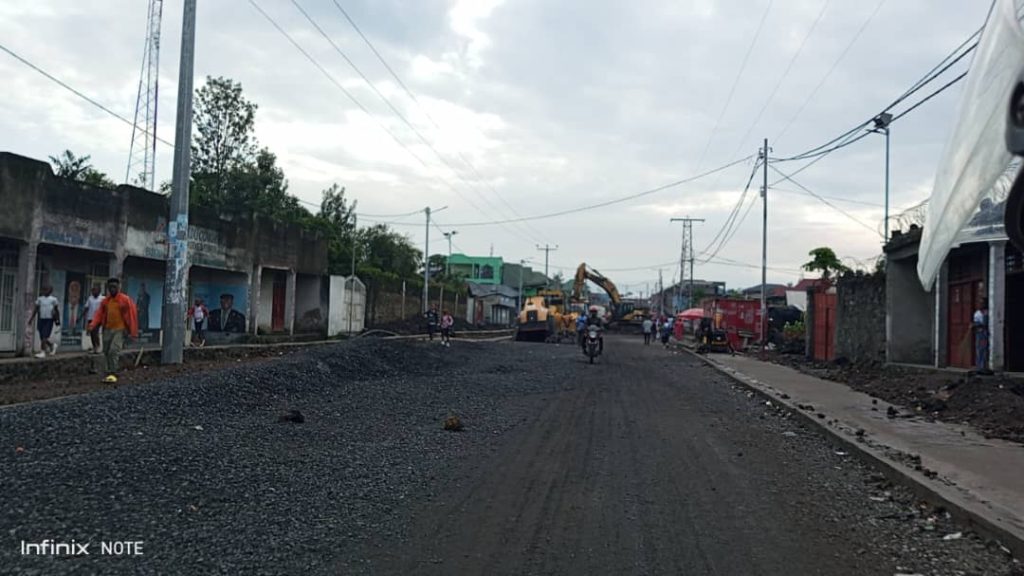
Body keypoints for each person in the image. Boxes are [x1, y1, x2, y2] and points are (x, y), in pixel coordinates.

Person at [87, 278, 138, 383]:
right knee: (106, 351)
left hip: (120, 330)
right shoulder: (106, 301)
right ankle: (108, 371)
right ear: (108, 288)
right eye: (110, 287)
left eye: (114, 287)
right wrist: (93, 324)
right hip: (107, 329)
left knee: (113, 350)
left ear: (119, 287)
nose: (112, 289)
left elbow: (131, 315)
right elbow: (99, 314)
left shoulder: (125, 300)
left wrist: (131, 331)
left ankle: (114, 372)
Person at [28, 285, 60, 358]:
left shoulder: (53, 299)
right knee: (42, 337)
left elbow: (56, 310)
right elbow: (36, 309)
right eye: (44, 290)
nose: (45, 291)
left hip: (49, 319)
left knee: (45, 336)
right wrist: (31, 319)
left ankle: (43, 352)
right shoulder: (40, 299)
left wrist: (57, 321)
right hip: (41, 319)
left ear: (51, 291)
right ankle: (52, 345)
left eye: (47, 290)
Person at [83, 285, 104, 353]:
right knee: (91, 333)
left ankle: (98, 346)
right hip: (90, 318)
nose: (93, 292)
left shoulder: (103, 298)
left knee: (95, 332)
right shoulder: (90, 298)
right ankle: (94, 347)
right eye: (92, 290)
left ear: (99, 291)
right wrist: (81, 317)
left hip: (98, 318)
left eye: (95, 290)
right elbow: (86, 308)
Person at [973, 301, 990, 373]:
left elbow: (985, 323)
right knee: (979, 349)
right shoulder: (977, 313)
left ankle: (983, 366)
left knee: (984, 349)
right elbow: (977, 322)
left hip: (984, 333)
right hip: (979, 333)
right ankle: (979, 366)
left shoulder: (987, 312)